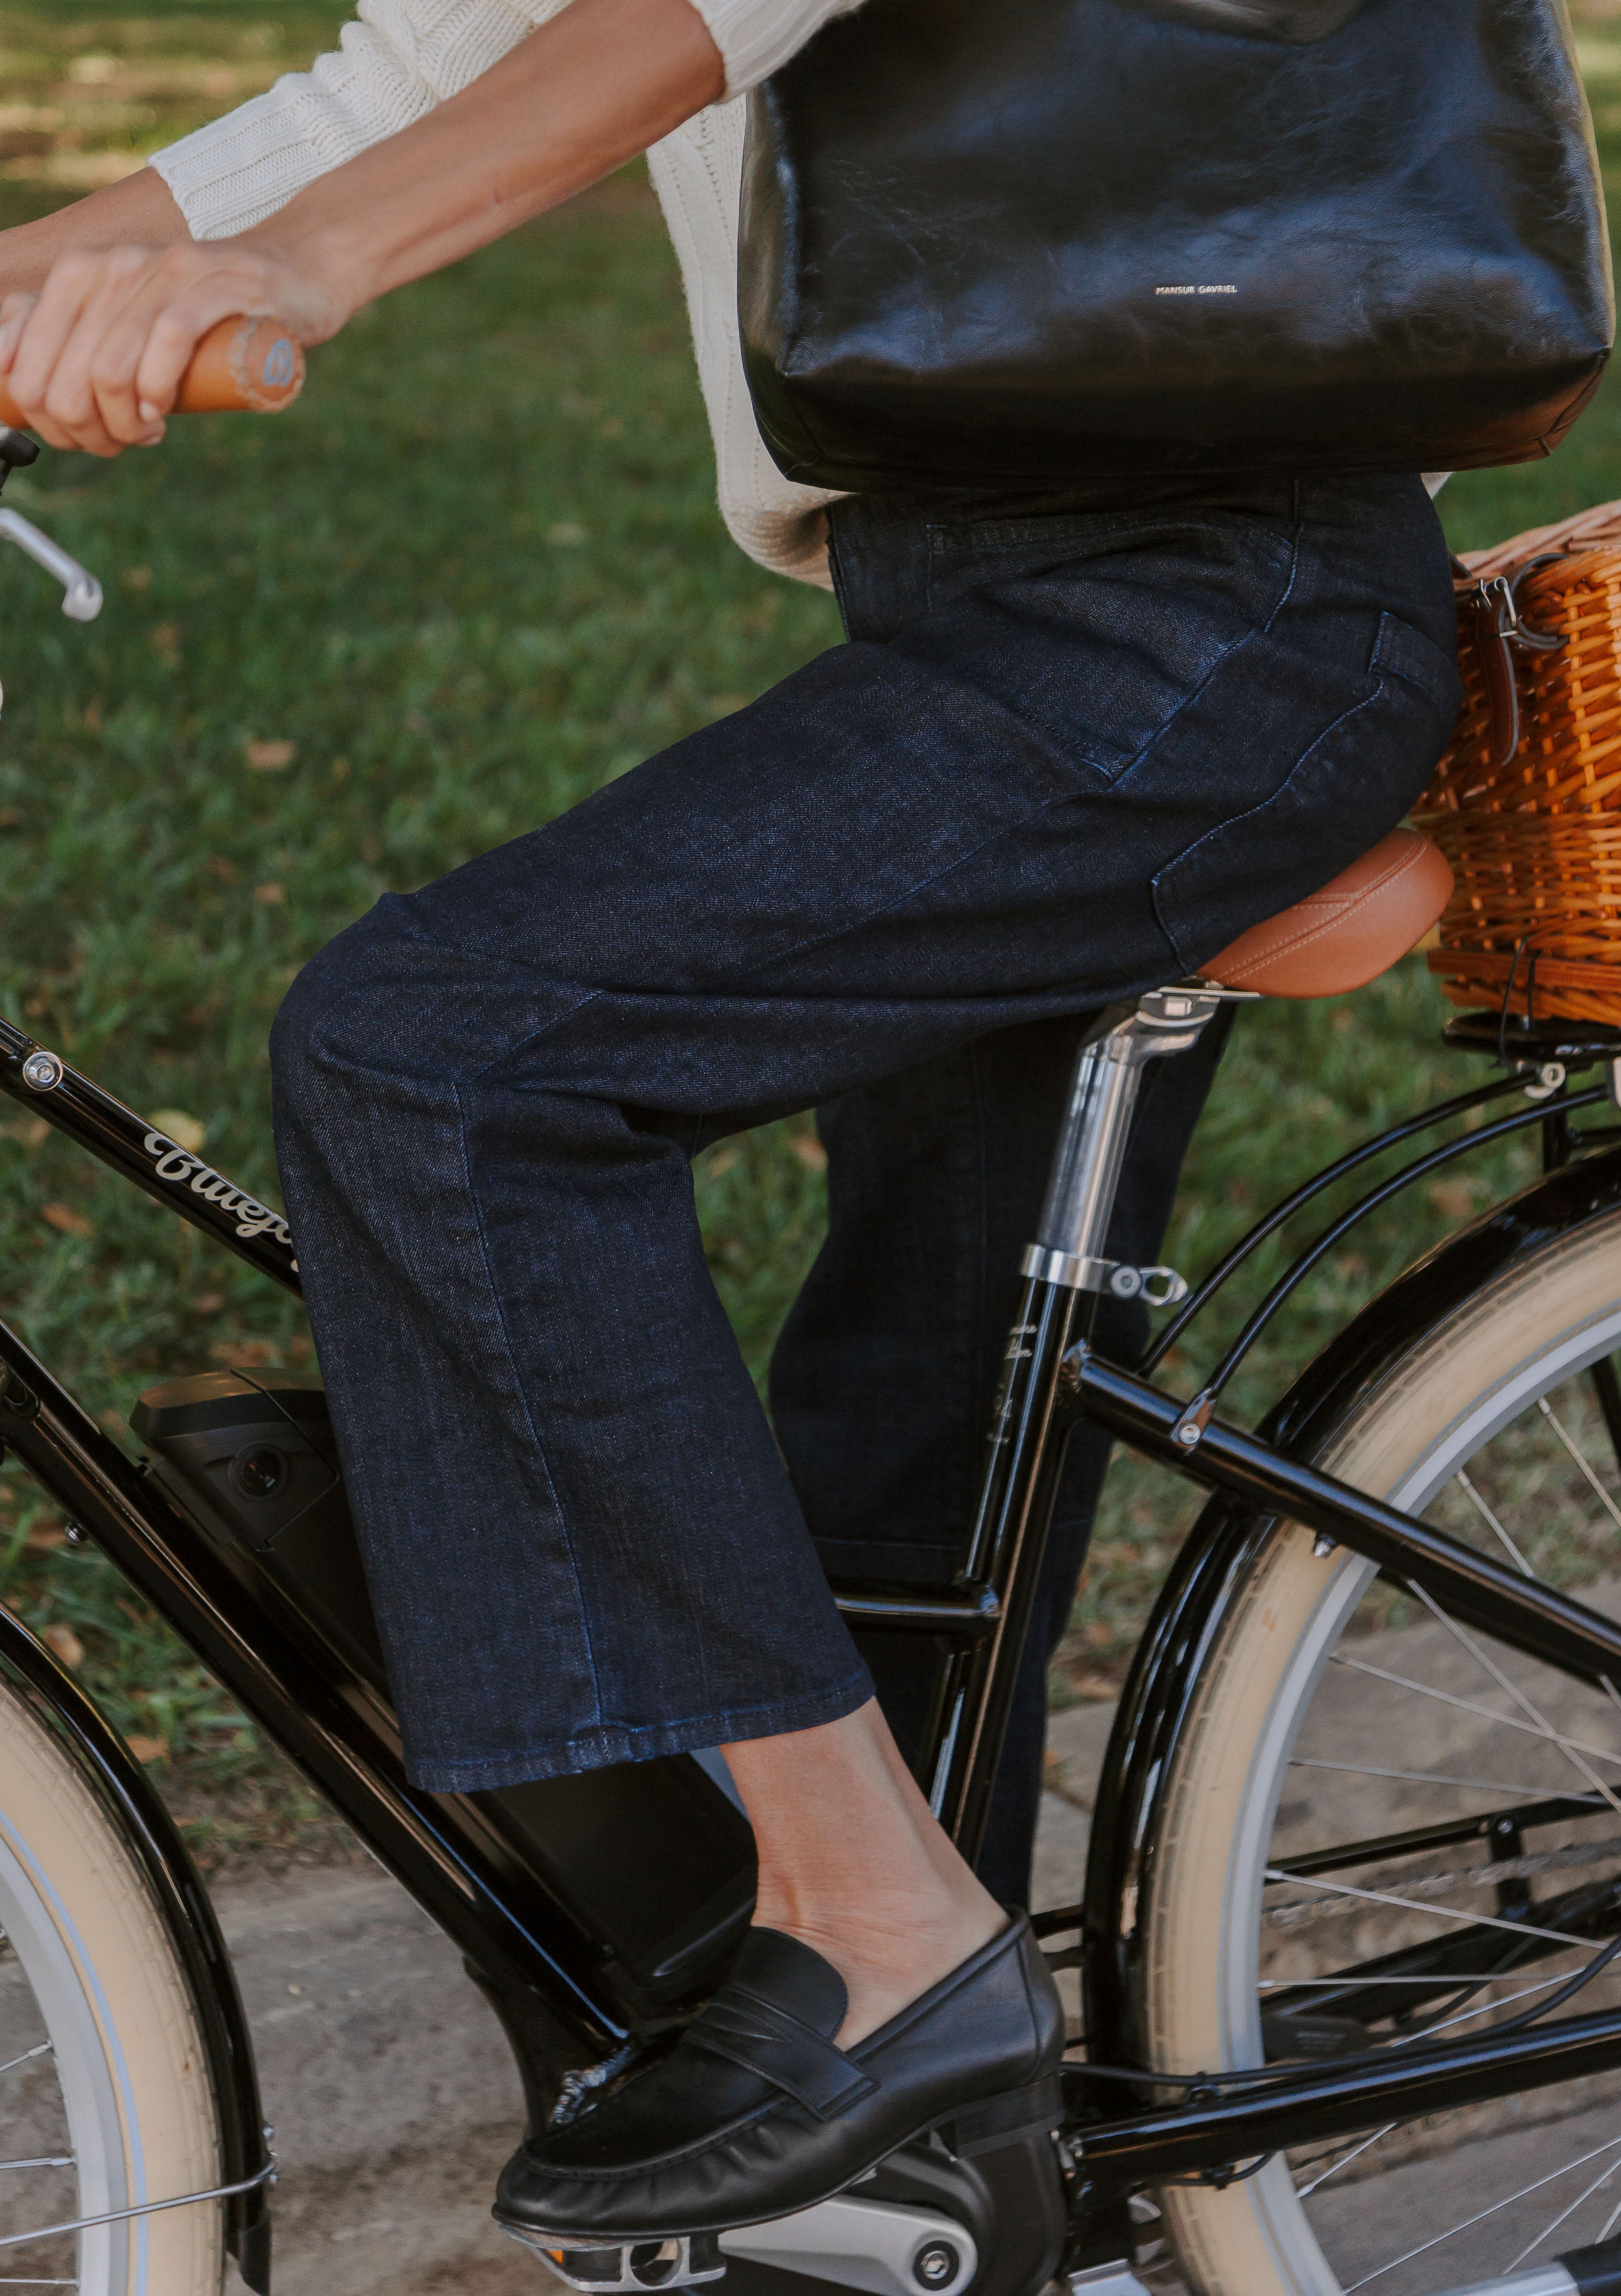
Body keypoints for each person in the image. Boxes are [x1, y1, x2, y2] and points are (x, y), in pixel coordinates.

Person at [0, 0, 1462, 2246]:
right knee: (895, 1464)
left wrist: (311, 270)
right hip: (989, 614)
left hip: (1208, 604)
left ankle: (892, 1954)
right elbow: (404, 75)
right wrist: (80, 270)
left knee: (443, 1056)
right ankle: (916, 2174)